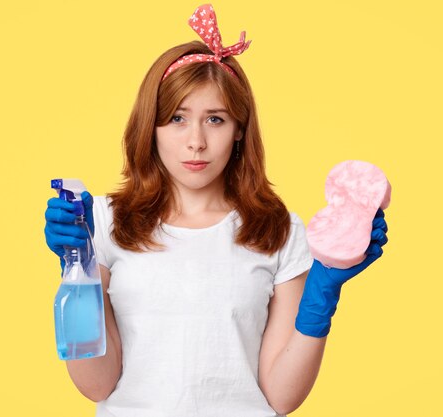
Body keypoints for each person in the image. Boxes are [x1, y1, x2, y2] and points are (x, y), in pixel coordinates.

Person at [44, 4, 388, 417]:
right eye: (176, 118)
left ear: (240, 128)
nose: (196, 142)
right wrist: (76, 267)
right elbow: (95, 383)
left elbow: (281, 396)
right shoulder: (105, 222)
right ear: (150, 126)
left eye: (216, 119)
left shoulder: (280, 231)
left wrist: (323, 295)